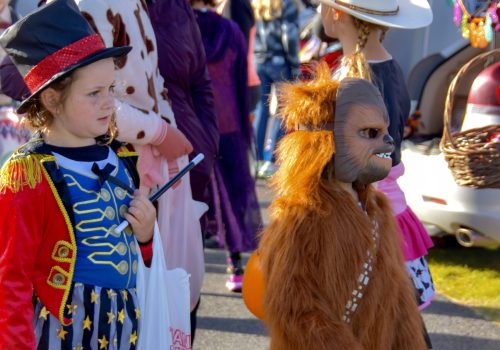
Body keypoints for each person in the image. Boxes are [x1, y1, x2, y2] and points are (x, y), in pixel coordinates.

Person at [0, 0, 156, 348]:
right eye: (94, 93)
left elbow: (135, 259)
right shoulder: (28, 174)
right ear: (53, 101)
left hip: (122, 330)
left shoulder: (122, 160)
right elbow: (10, 280)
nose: (109, 103)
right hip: (61, 333)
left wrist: (145, 237)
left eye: (111, 89)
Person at [247, 64, 428, 349]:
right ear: (325, 141)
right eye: (369, 132)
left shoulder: (378, 209)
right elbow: (295, 309)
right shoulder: (301, 215)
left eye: (384, 132)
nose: (387, 141)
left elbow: (398, 299)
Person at [69, 0, 206, 342]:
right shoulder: (91, 4)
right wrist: (158, 132)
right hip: (122, 166)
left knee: (178, 288)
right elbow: (91, 101)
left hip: (159, 162)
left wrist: (167, 134)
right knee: (136, 294)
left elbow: (153, 82)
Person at [319, 0, 436, 312]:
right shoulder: (391, 67)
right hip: (391, 212)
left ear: (337, 12)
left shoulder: (348, 79)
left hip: (357, 220)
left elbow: (342, 164)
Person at [191, 0, 263, 292]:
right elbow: (239, 81)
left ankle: (188, 267)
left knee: (192, 195)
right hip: (229, 119)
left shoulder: (177, 26)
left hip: (193, 122)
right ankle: (235, 266)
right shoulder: (230, 30)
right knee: (233, 192)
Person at [252, 0, 300, 178]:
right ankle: (271, 161)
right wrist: (295, 65)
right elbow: (289, 36)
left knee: (261, 110)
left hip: (259, 60)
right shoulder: (285, 4)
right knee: (282, 111)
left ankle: (256, 160)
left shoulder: (257, 3)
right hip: (280, 61)